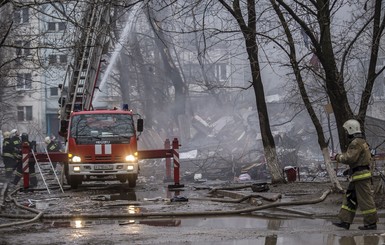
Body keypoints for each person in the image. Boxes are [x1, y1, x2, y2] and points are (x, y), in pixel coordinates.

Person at [332, 119, 378, 230]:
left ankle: (371, 223)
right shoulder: (362, 141)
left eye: (347, 131)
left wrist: (337, 157)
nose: (346, 133)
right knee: (350, 198)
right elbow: (361, 159)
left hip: (361, 177)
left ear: (351, 130)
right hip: (358, 175)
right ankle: (345, 221)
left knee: (365, 200)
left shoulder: (355, 143)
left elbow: (349, 158)